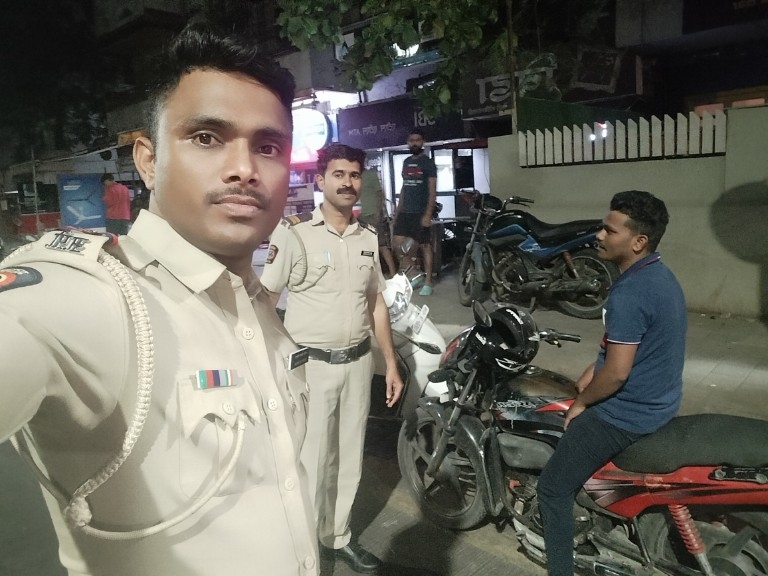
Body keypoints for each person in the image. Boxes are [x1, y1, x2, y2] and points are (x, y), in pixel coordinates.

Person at [0, 23, 319, 576]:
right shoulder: (96, 299)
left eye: (267, 147)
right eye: (207, 138)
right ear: (148, 161)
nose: (245, 169)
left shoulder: (259, 304)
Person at [261, 143, 405, 573]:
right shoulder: (294, 233)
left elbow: (375, 303)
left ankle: (337, 536)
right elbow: (265, 301)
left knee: (349, 456)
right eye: (338, 174)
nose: (347, 182)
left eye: (354, 175)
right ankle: (304, 548)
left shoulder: (368, 237)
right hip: (312, 367)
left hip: (358, 364)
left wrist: (390, 362)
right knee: (312, 459)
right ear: (321, 180)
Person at [536, 190, 687, 576]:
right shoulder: (659, 276)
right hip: (660, 402)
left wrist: (583, 403)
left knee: (552, 489)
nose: (599, 236)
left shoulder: (630, 293)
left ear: (638, 241)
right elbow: (618, 352)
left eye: (609, 230)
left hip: (627, 415)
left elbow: (617, 374)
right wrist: (590, 375)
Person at [392, 128, 437, 296]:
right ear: (408, 143)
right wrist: (397, 211)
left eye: (418, 140)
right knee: (397, 245)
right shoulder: (406, 162)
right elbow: (404, 188)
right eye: (412, 140)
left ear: (423, 142)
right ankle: (416, 273)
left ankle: (428, 282)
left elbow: (432, 190)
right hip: (405, 211)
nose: (415, 143)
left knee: (425, 246)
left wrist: (428, 214)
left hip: (421, 211)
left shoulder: (428, 163)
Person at [358, 165, 397, 277]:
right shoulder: (356, 177)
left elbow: (380, 194)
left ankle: (393, 273)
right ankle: (372, 273)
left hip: (373, 215)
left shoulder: (370, 175)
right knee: (367, 247)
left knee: (382, 245)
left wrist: (379, 212)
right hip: (364, 215)